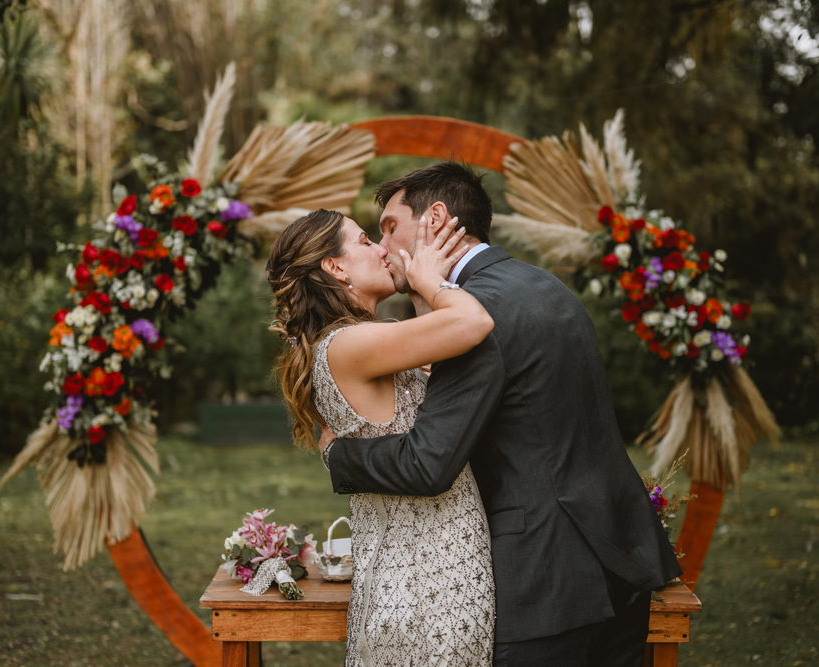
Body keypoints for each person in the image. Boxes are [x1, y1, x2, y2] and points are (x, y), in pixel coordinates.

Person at [320, 162, 683, 666]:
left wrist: (339, 456)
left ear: (435, 220)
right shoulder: (543, 285)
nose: (382, 248)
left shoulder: (474, 316)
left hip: (547, 584)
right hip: (620, 555)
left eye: (388, 227)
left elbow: (428, 464)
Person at [265, 208, 497, 665]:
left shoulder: (370, 341)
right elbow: (473, 324)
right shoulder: (350, 345)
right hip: (426, 579)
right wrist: (430, 278)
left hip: (419, 568)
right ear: (335, 267)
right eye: (365, 241)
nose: (381, 248)